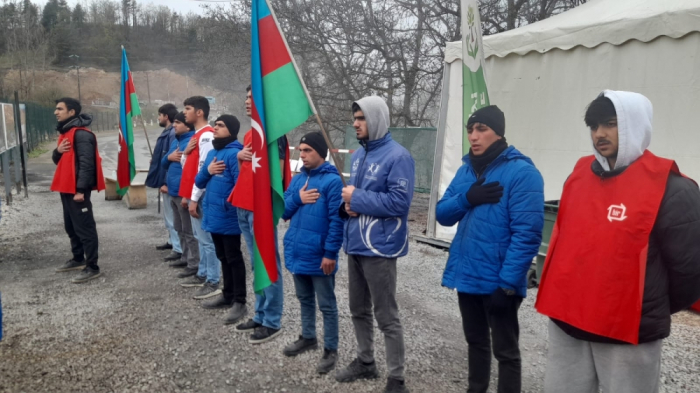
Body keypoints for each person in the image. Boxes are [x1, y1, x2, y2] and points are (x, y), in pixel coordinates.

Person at [536, 91, 700, 393]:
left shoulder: (673, 189)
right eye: (594, 126)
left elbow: (689, 273)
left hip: (627, 332)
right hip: (568, 322)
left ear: (635, 125)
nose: (599, 134)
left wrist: (647, 305)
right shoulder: (579, 176)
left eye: (610, 124)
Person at [435, 105, 544, 393]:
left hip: (499, 283)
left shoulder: (523, 173)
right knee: (476, 343)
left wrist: (508, 285)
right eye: (470, 129)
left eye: (481, 129)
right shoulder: (465, 170)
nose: (473, 136)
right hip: (468, 276)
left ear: (499, 132)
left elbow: (528, 234)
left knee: (506, 352)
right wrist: (467, 198)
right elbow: (443, 214)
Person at [336, 96, 414, 393]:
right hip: (355, 243)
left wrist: (356, 199)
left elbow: (399, 203)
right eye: (354, 118)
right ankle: (366, 362)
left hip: (380, 248)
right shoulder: (358, 156)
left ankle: (397, 378)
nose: (355, 123)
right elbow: (353, 199)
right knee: (358, 309)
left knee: (386, 314)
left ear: (377, 119)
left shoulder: (399, 157)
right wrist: (348, 206)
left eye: (361, 118)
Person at [229, 85, 291, 344]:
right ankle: (260, 313)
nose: (246, 102)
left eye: (252, 98)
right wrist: (240, 156)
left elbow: (273, 174)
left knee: (267, 263)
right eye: (245, 97)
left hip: (260, 209)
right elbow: (247, 168)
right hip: (244, 206)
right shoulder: (248, 136)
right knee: (256, 264)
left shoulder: (274, 134)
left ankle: (272, 321)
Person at [281, 132, 344, 374]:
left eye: (308, 150)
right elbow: (283, 211)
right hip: (298, 251)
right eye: (301, 150)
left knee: (327, 304)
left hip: (319, 256)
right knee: (304, 299)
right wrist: (298, 198)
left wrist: (330, 253)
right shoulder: (298, 180)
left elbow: (337, 221)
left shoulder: (333, 182)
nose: (302, 154)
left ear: (320, 152)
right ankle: (308, 337)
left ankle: (331, 349)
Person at [194, 115, 248, 325]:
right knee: (222, 256)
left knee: (234, 257)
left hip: (229, 215)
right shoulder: (213, 152)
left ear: (232, 130)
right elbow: (199, 181)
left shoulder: (235, 154)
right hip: (213, 214)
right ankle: (227, 295)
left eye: (221, 125)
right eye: (215, 125)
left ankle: (240, 301)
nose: (215, 128)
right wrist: (208, 170)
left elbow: (239, 185)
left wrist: (228, 204)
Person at [51, 97, 106, 284]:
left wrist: (81, 190)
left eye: (60, 109)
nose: (56, 112)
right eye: (56, 109)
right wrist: (57, 151)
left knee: (85, 228)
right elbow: (58, 160)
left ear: (72, 112)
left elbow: (87, 165)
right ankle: (77, 259)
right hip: (66, 188)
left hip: (77, 190)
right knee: (71, 226)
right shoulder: (66, 133)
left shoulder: (82, 135)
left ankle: (92, 266)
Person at [178, 96, 221, 300]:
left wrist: (194, 197)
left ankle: (213, 280)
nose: (184, 112)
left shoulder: (207, 136)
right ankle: (203, 273)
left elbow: (204, 170)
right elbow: (189, 167)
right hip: (195, 194)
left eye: (187, 108)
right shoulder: (197, 136)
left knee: (207, 241)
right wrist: (185, 153)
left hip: (203, 196)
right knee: (200, 239)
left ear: (199, 112)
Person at [161, 112, 199, 276]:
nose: (174, 125)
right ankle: (185, 257)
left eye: (177, 122)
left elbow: (193, 169)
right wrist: (169, 157)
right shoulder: (177, 140)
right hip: (173, 191)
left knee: (189, 231)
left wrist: (188, 195)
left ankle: (194, 263)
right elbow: (163, 163)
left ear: (188, 125)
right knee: (179, 228)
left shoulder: (193, 141)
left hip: (184, 193)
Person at [146, 103, 182, 262]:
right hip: (164, 179)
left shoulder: (172, 133)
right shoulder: (168, 132)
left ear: (166, 116)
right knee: (168, 215)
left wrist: (166, 182)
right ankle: (172, 241)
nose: (158, 118)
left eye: (159, 115)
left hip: (168, 182)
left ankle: (178, 247)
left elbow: (172, 160)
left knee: (172, 215)